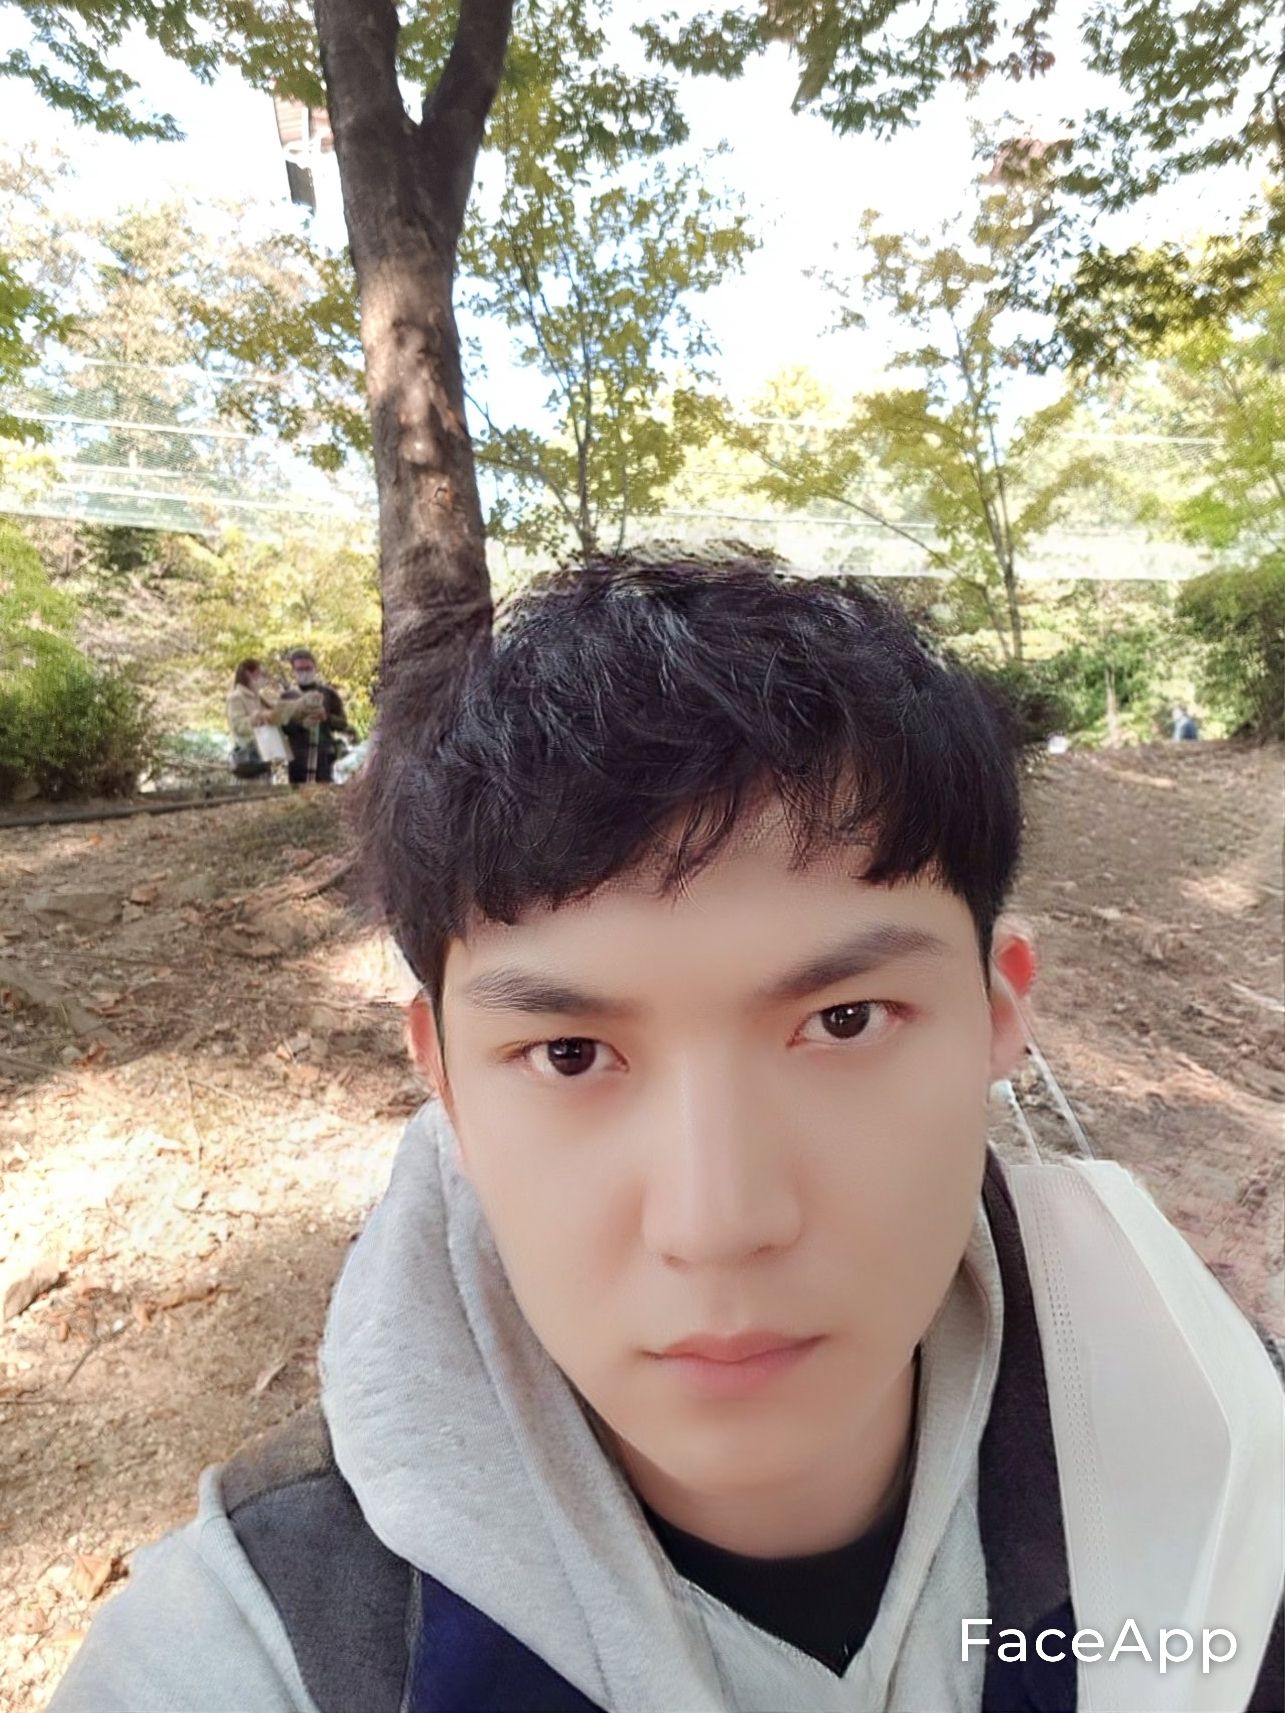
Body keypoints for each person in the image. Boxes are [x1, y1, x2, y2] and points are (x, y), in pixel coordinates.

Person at [50, 562, 1282, 1713]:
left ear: (999, 1014)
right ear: (444, 1079)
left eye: (844, 1020)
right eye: (569, 1054)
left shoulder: (1245, 1476)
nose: (718, 1222)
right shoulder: (258, 1655)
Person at [278, 648, 354, 786]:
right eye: (300, 669)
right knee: (298, 797)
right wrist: (300, 721)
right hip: (297, 759)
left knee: (324, 796)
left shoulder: (328, 694)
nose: (304, 673)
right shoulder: (287, 697)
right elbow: (282, 728)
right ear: (293, 670)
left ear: (314, 667)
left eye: (308, 668)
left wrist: (326, 718)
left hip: (324, 757)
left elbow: (343, 723)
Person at [225, 658, 281, 780]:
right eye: (259, 673)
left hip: (264, 756)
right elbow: (238, 726)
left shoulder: (258, 697)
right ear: (249, 674)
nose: (262, 678)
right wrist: (256, 719)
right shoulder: (236, 697)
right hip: (248, 759)